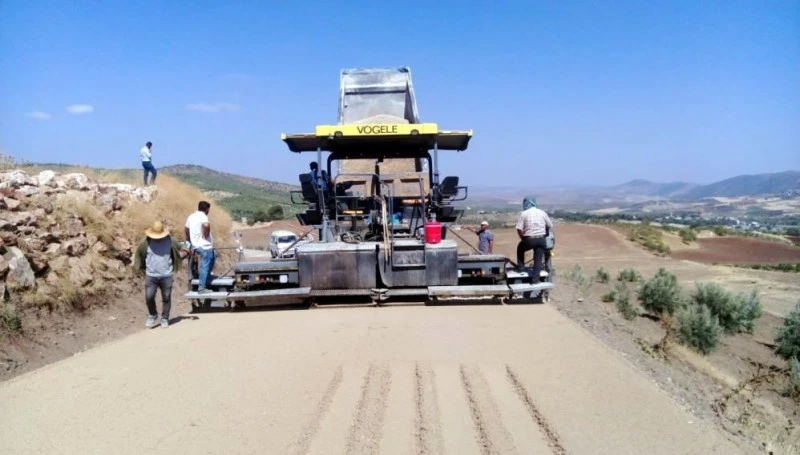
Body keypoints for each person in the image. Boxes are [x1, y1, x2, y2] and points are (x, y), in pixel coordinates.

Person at [133, 221, 185, 328]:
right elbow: (139, 254)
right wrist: (139, 267)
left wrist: (186, 251)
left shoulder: (170, 241)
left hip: (166, 275)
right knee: (149, 297)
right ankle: (153, 314)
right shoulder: (145, 242)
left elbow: (182, 247)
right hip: (151, 275)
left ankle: (165, 318)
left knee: (166, 297)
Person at [515, 196, 553, 277]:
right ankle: (535, 280)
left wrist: (523, 238)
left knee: (520, 248)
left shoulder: (524, 214)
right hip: (541, 239)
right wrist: (545, 233)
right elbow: (550, 225)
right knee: (538, 258)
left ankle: (521, 268)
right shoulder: (542, 212)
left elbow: (519, 228)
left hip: (529, 239)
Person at [185, 201, 215, 294]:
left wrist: (188, 240)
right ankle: (202, 288)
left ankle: (206, 277)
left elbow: (186, 229)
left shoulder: (191, 216)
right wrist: (206, 235)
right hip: (204, 246)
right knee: (205, 265)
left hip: (196, 245)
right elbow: (206, 225)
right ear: (207, 209)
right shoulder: (203, 216)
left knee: (214, 255)